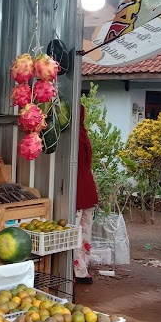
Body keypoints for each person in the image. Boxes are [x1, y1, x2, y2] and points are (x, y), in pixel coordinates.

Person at [74, 104, 99, 284]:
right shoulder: (83, 133)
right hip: (87, 188)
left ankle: (75, 269)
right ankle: (82, 270)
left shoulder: (73, 135)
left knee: (74, 232)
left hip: (76, 190)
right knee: (85, 232)